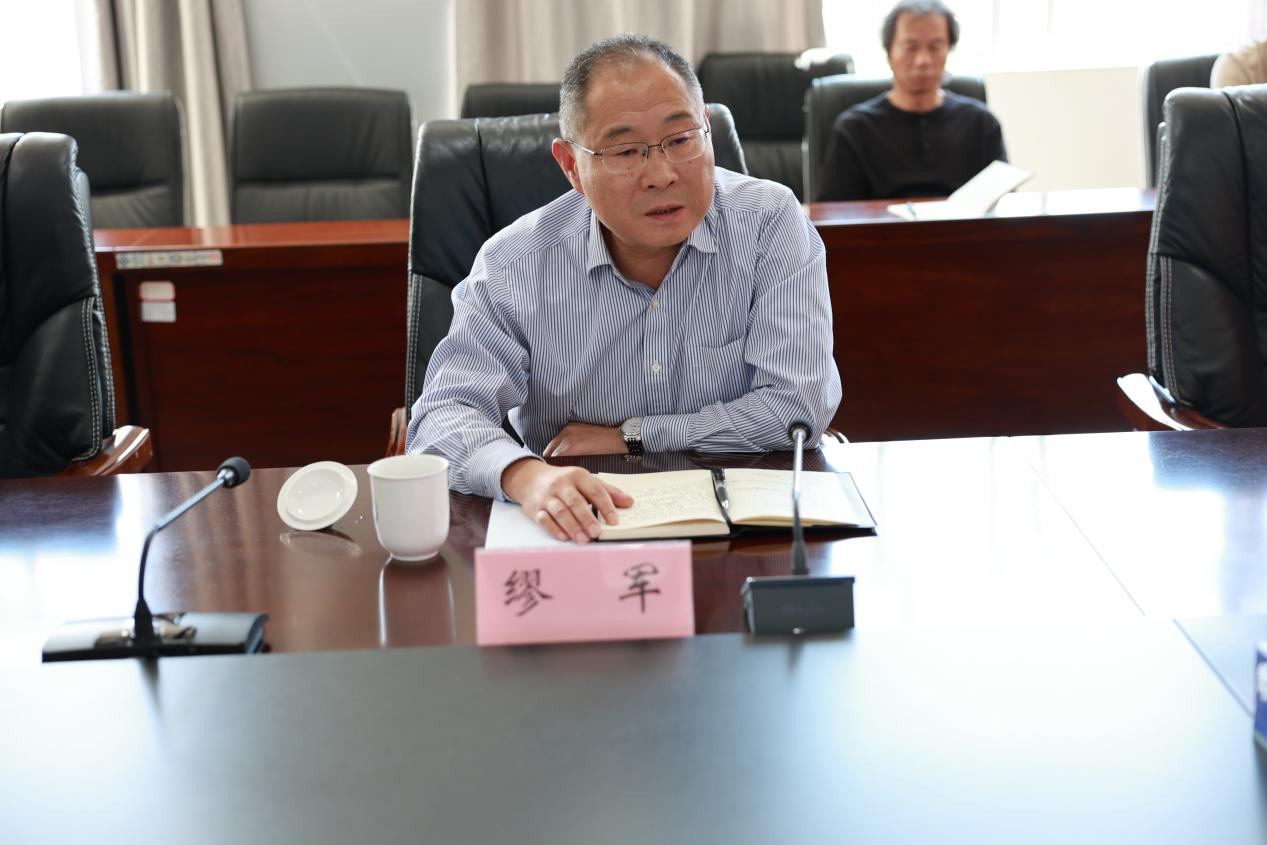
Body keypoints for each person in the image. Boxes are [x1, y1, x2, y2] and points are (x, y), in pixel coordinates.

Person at [406, 34, 841, 544]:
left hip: (742, 528)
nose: (661, 175)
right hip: (582, 527)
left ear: (707, 131)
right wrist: (526, 476)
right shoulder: (515, 264)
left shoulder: (769, 223)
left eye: (681, 139)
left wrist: (633, 436)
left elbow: (798, 406)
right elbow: (442, 416)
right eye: (626, 151)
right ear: (572, 166)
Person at [818, 0, 1006, 201]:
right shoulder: (854, 129)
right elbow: (833, 213)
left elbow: (1004, 204)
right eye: (911, 47)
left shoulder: (981, 123)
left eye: (935, 47)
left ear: (949, 50)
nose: (923, 60)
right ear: (889, 52)